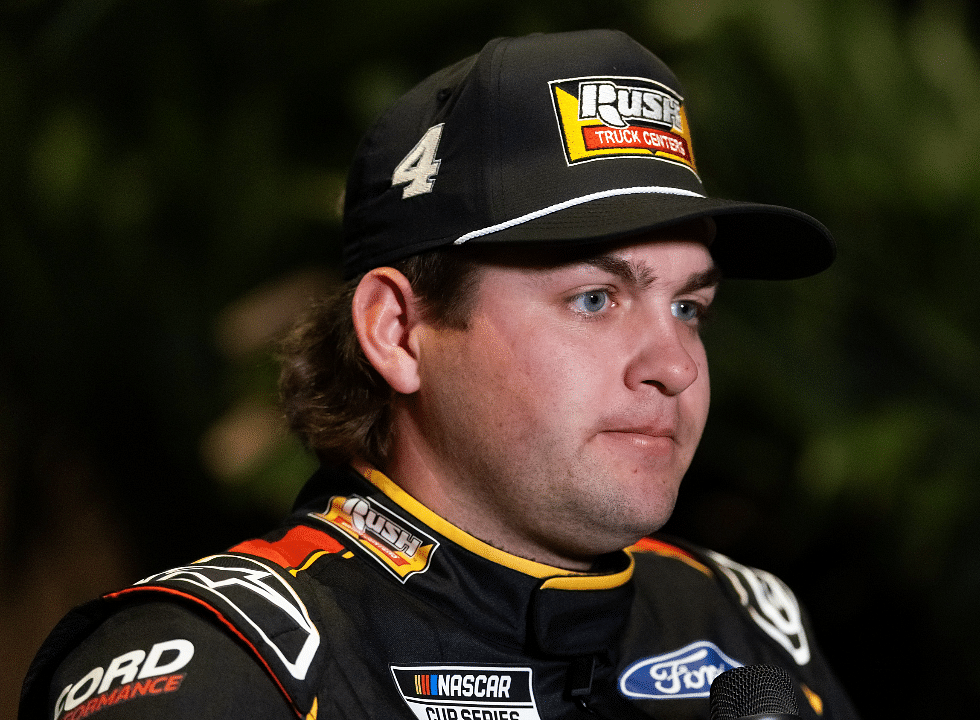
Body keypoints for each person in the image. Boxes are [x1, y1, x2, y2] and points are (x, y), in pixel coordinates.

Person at [21, 29, 857, 720]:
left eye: (689, 309)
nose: (675, 366)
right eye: (596, 299)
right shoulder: (222, 672)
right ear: (398, 331)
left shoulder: (747, 625)